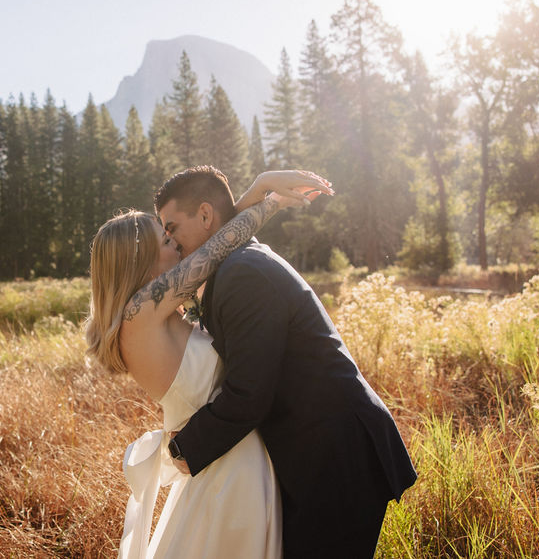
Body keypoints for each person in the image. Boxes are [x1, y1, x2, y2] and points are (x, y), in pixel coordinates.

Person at [156, 166, 417, 558]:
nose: (169, 241)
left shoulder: (243, 274)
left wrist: (185, 448)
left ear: (206, 215)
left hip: (337, 455)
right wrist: (258, 188)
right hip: (320, 452)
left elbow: (249, 393)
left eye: (172, 227)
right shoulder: (238, 261)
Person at [85, 169, 333, 559]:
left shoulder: (146, 317)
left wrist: (259, 193)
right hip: (228, 470)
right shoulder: (141, 312)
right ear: (140, 261)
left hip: (225, 457)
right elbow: (218, 248)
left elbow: (214, 240)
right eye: (165, 239)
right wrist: (265, 195)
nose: (176, 245)